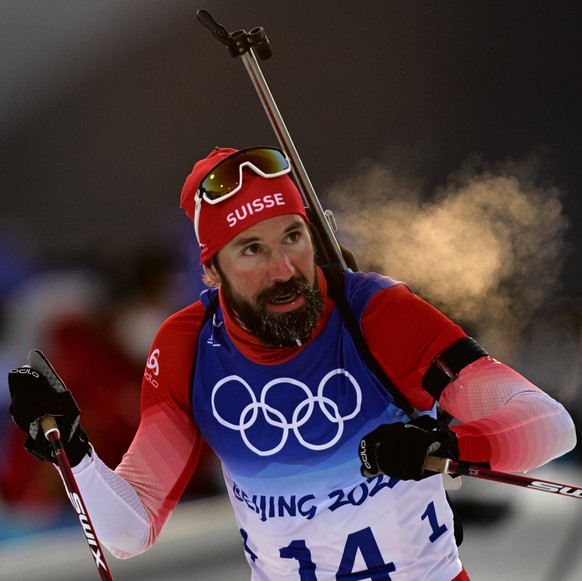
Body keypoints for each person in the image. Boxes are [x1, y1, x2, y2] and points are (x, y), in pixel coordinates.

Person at [7, 146, 577, 580]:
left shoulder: (376, 313)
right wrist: (74, 454)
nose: (284, 269)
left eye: (293, 236)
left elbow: (549, 425)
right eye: (251, 250)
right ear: (212, 271)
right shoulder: (187, 348)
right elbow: (128, 532)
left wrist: (448, 449)